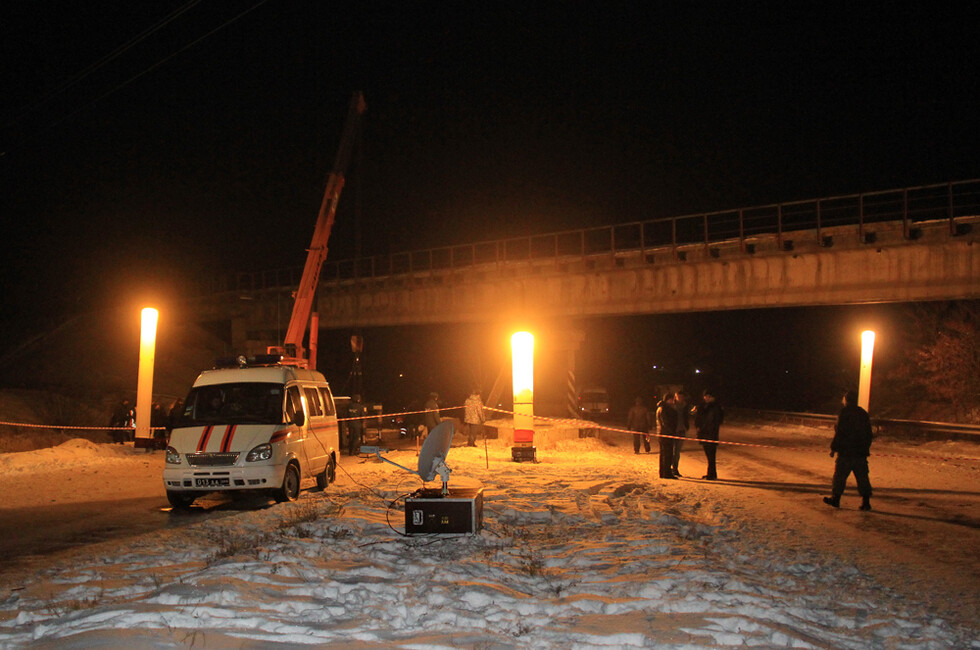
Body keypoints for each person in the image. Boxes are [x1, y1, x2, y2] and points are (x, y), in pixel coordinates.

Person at [824, 390, 874, 511]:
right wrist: (865, 448)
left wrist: (834, 448)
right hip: (860, 453)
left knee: (840, 476)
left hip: (846, 452)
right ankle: (866, 501)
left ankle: (836, 498)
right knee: (862, 477)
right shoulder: (863, 413)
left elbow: (840, 432)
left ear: (847, 400)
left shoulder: (844, 413)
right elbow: (869, 434)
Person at [695, 389, 724, 480]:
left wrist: (709, 428)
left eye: (708, 396)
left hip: (711, 434)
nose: (706, 398)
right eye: (705, 396)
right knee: (708, 455)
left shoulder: (716, 407)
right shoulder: (703, 406)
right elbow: (699, 419)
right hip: (704, 433)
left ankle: (711, 474)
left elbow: (716, 420)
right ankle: (711, 473)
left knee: (711, 455)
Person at [656, 393, 678, 479]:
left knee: (663, 454)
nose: (673, 401)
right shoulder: (665, 409)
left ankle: (663, 472)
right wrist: (671, 432)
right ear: (668, 399)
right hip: (666, 434)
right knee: (667, 454)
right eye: (672, 399)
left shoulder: (661, 408)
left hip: (662, 433)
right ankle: (667, 473)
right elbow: (666, 423)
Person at [672, 390, 692, 477]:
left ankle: (675, 468)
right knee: (671, 451)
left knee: (677, 451)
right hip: (673, 431)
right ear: (675, 397)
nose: (680, 398)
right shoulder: (672, 406)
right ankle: (670, 467)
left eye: (681, 397)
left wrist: (686, 426)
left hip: (681, 430)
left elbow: (687, 415)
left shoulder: (685, 406)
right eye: (678, 397)